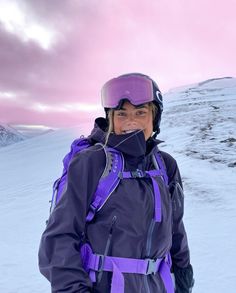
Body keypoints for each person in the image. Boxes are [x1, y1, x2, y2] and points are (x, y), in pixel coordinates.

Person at [38, 73, 194, 292]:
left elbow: (175, 228)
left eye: (140, 112)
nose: (131, 121)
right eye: (121, 113)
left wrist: (183, 272)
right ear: (111, 118)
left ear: (154, 117)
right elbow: (58, 237)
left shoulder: (165, 166)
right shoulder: (93, 162)